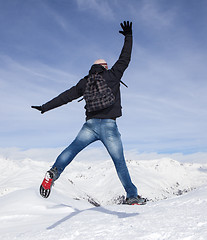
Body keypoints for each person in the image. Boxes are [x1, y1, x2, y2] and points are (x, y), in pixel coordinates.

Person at [31, 21, 146, 205]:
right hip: (109, 126)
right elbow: (125, 58)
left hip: (90, 126)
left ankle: (53, 173)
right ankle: (132, 196)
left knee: (71, 150)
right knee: (119, 163)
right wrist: (128, 36)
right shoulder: (113, 75)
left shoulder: (84, 82)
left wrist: (45, 107)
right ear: (105, 66)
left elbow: (65, 97)